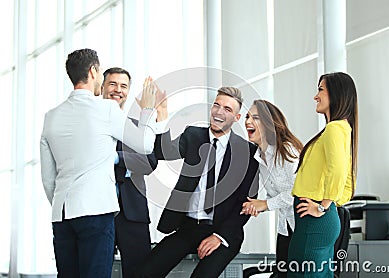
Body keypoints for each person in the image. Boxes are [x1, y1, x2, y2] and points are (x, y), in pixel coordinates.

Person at [40, 48, 158, 278]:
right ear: (94, 72)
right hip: (95, 211)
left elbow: (48, 178)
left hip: (61, 215)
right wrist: (148, 109)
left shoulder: (51, 116)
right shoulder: (106, 109)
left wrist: (62, 203)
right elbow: (145, 145)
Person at [135, 87, 260, 278]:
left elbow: (247, 202)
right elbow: (161, 151)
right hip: (188, 228)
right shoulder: (193, 136)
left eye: (227, 109)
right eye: (216, 105)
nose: (219, 112)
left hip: (223, 232)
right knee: (144, 274)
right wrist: (161, 115)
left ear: (236, 117)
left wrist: (219, 237)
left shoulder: (247, 152)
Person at [287, 72, 358, 277]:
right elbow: (347, 179)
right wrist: (331, 206)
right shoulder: (342, 128)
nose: (315, 96)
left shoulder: (334, 129)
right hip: (321, 220)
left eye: (320, 89)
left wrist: (322, 206)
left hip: (315, 221)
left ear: (335, 94)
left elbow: (338, 171)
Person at [102, 67, 158, 277]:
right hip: (99, 209)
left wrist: (117, 159)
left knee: (139, 272)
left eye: (123, 86)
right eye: (113, 84)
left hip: (132, 213)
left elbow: (149, 162)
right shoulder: (91, 124)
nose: (118, 90)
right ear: (102, 87)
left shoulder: (137, 127)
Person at [241, 100, 303, 278]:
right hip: (285, 226)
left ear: (268, 123)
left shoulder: (287, 150)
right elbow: (273, 195)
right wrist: (257, 206)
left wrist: (265, 204)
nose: (248, 121)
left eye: (255, 117)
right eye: (247, 117)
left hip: (303, 225)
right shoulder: (259, 157)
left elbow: (297, 192)